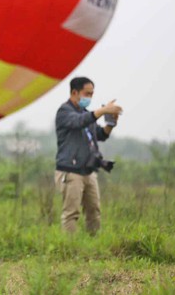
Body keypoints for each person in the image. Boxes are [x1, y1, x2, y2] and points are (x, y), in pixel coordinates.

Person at [54, 77, 123, 235]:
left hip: (89, 170)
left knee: (94, 211)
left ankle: (93, 245)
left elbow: (100, 135)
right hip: (70, 171)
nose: (90, 97)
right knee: (71, 213)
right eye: (87, 94)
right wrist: (102, 111)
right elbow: (79, 122)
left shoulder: (86, 114)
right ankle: (69, 249)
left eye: (92, 94)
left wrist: (111, 123)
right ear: (74, 92)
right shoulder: (64, 112)